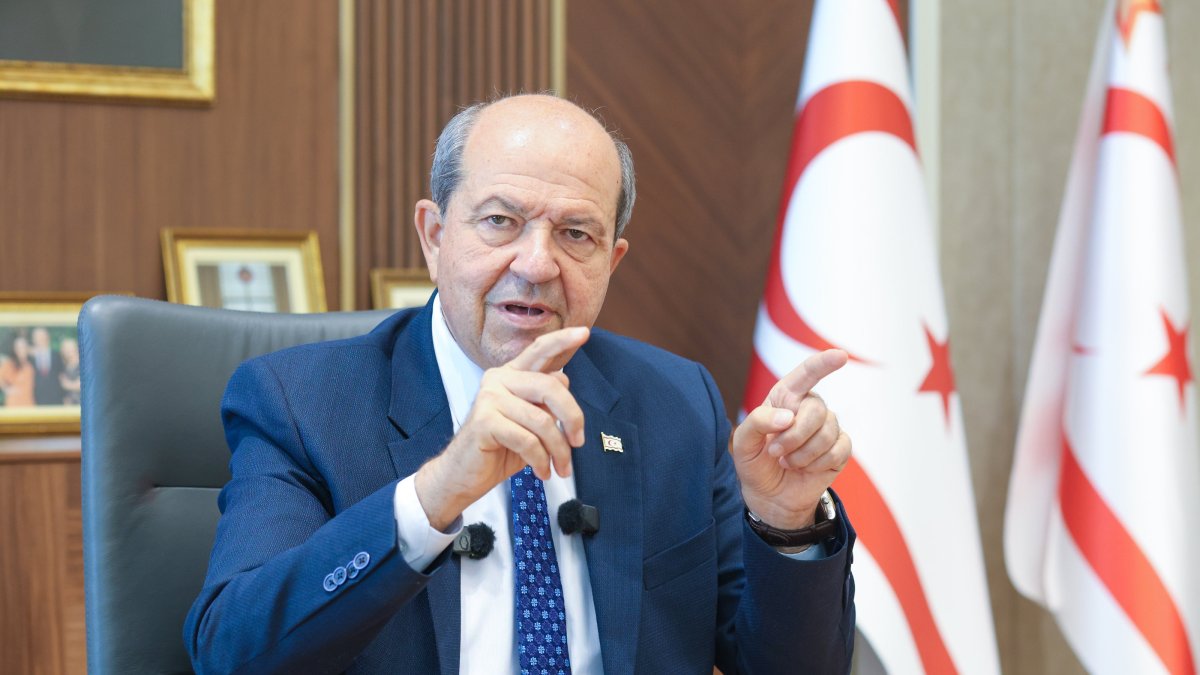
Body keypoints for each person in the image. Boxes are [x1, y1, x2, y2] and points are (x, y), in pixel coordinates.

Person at [185, 94, 856, 674]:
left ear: (612, 259)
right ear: (434, 234)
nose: (536, 264)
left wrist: (785, 524)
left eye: (575, 233)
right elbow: (232, 651)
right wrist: (435, 494)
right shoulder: (301, 403)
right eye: (500, 221)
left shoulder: (678, 404)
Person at [30, 327, 65, 405]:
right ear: (33, 339)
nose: (40, 339)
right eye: (37, 337)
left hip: (56, 398)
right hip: (37, 399)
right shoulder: (30, 357)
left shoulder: (57, 355)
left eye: (42, 336)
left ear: (47, 337)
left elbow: (62, 376)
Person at [1, 335, 35, 407]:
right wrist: (7, 389)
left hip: (29, 405)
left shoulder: (31, 365)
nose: (21, 349)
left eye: (24, 347)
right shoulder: (9, 364)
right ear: (15, 349)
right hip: (14, 405)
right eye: (19, 347)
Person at [58, 337, 81, 406]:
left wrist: (67, 384)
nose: (67, 351)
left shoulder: (84, 364)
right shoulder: (64, 366)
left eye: (70, 348)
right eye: (65, 349)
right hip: (69, 406)